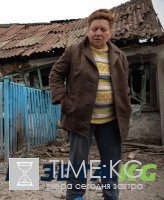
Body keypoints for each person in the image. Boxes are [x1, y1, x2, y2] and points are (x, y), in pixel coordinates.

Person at [49, 9, 131, 200]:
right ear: (88, 30)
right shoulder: (74, 51)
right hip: (80, 119)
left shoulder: (120, 55)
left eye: (103, 29)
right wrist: (63, 100)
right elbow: (55, 74)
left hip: (112, 121)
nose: (98, 33)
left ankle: (111, 197)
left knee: (111, 165)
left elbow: (123, 84)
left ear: (110, 32)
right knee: (78, 164)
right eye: (95, 29)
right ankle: (75, 196)